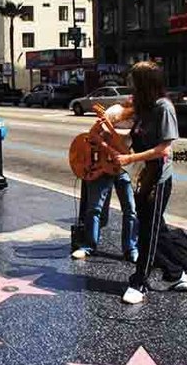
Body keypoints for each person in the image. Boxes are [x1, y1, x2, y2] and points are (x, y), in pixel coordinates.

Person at [111, 62, 187, 304]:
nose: (129, 84)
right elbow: (130, 141)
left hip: (159, 179)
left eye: (133, 80)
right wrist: (108, 131)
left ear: (145, 83)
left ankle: (140, 282)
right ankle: (177, 272)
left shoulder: (164, 108)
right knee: (155, 228)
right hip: (143, 177)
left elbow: (164, 148)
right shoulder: (143, 108)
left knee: (147, 232)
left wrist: (130, 158)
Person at [71, 102, 139, 263]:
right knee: (94, 209)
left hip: (124, 168)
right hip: (103, 165)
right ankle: (89, 246)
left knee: (131, 209)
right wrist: (108, 149)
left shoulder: (141, 119)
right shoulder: (114, 112)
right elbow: (92, 134)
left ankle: (131, 248)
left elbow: (129, 148)